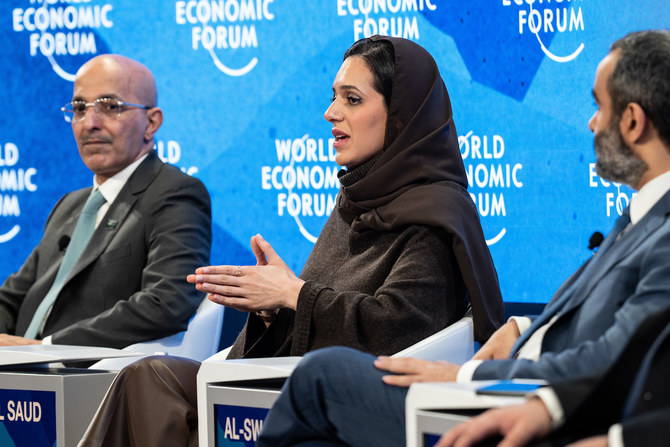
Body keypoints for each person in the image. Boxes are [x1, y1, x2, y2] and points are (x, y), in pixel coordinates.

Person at [78, 36, 504, 446]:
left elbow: (397, 329)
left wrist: (294, 294)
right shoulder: (355, 199)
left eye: (352, 100)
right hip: (291, 378)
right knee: (148, 375)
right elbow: (308, 317)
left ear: (401, 115)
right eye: (334, 96)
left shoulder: (435, 216)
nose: (330, 113)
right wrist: (272, 309)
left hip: (349, 398)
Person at [253, 29, 670, 447]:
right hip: (515, 382)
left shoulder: (435, 215)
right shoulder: (639, 216)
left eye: (599, 107)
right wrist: (526, 326)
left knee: (319, 376)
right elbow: (599, 323)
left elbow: (619, 353)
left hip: (521, 401)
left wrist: (465, 375)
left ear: (633, 121)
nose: (591, 122)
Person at [0, 55, 212, 348]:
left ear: (151, 123)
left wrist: (48, 348)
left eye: (110, 107)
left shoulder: (174, 194)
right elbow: (12, 297)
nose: (90, 123)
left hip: (86, 377)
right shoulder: (70, 206)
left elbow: (165, 303)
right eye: (78, 108)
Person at [438, 305, 670, 447]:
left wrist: (620, 441)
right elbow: (639, 350)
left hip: (621, 424)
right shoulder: (630, 229)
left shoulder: (660, 238)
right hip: (565, 399)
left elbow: (610, 354)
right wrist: (549, 407)